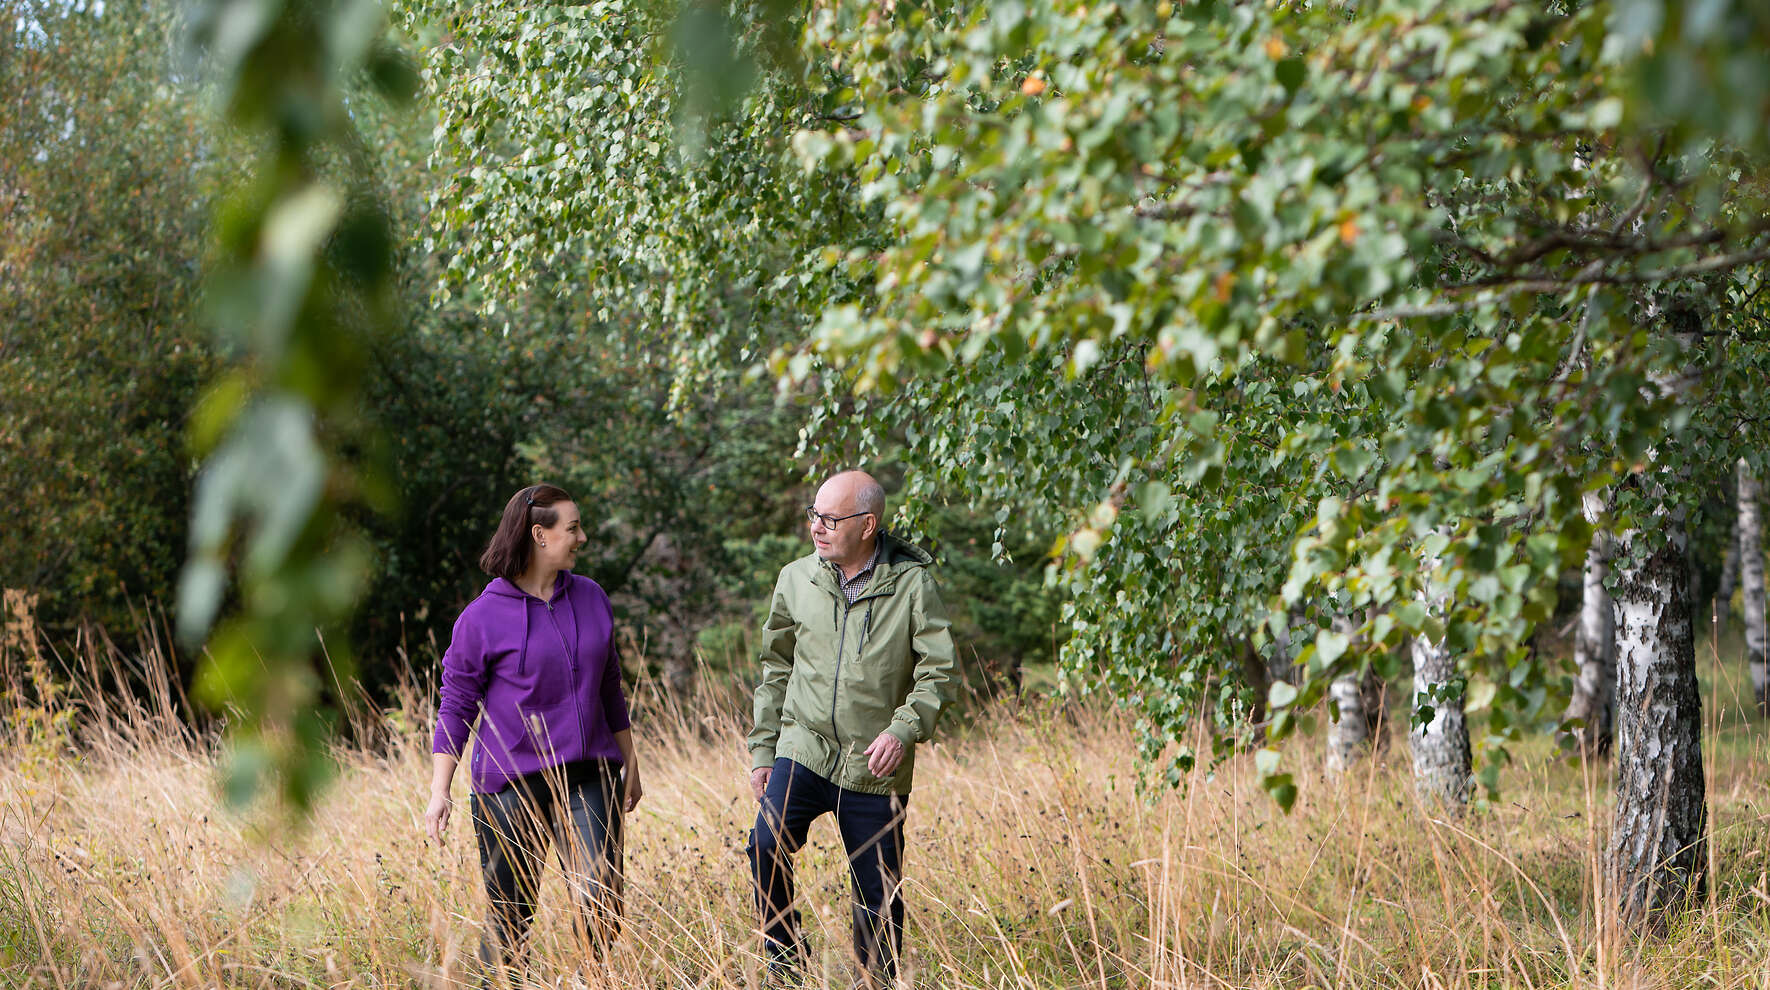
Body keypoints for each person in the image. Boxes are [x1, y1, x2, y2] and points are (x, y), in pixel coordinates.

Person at [746, 470, 958, 988]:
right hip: (806, 747)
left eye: (831, 519)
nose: (817, 527)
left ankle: (876, 981)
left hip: (874, 764)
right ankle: (785, 963)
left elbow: (939, 673)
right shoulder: (796, 578)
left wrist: (903, 731)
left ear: (868, 525)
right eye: (813, 515)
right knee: (764, 846)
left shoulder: (912, 584)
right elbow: (775, 669)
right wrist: (763, 749)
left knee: (877, 901)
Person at [424, 483, 642, 972]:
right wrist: (440, 791)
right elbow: (456, 707)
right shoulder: (481, 618)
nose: (581, 537)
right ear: (539, 535)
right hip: (508, 786)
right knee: (510, 919)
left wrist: (630, 761)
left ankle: (592, 978)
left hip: (589, 775)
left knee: (601, 898)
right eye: (573, 527)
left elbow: (610, 686)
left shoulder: (590, 597)